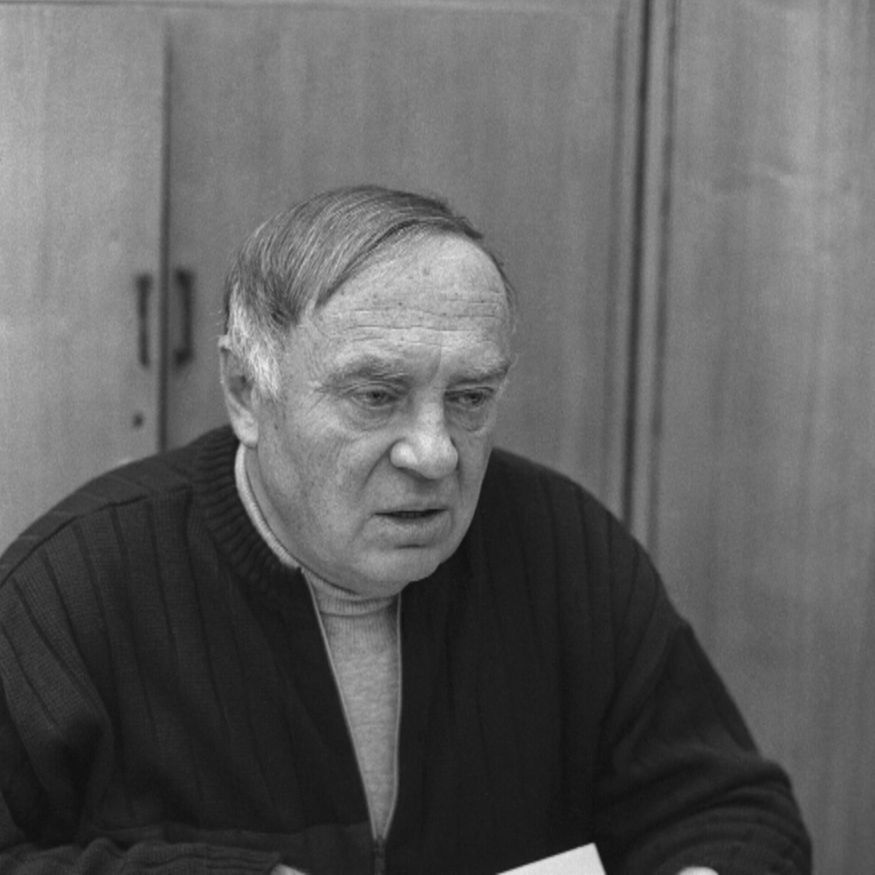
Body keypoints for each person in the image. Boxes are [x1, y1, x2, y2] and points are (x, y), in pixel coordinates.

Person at [0, 186, 810, 874]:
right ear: (247, 391)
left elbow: (731, 810)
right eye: (376, 396)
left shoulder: (564, 547)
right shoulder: (68, 589)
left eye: (469, 398)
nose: (434, 453)